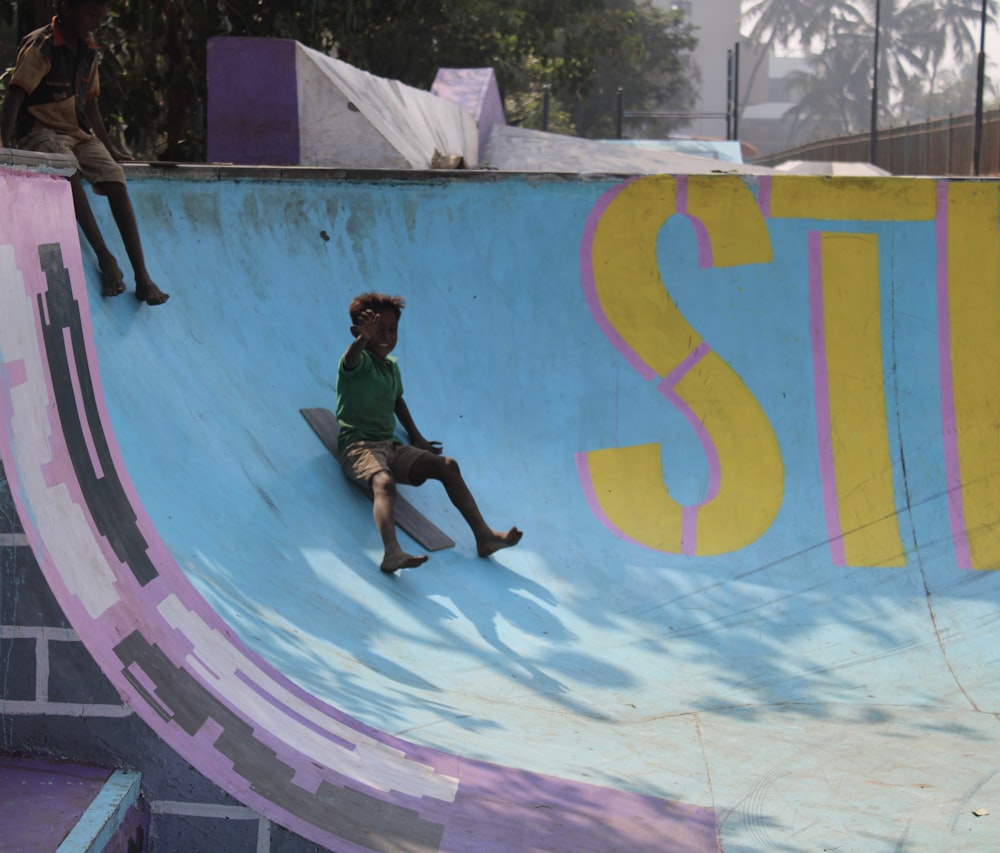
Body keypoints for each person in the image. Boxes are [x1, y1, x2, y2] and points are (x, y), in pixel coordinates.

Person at [337, 292, 522, 573]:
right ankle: (392, 552)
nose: (385, 336)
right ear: (358, 332)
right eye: (377, 330)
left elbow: (397, 400)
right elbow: (351, 360)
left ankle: (484, 536)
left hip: (391, 446)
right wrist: (362, 339)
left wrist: (416, 435)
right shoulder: (358, 361)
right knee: (384, 482)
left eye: (392, 329)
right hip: (360, 446)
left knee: (447, 466)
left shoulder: (391, 367)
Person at [0, 0, 169, 305]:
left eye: (102, 16)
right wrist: (7, 144)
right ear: (66, 9)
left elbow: (90, 104)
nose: (98, 22)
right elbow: (15, 95)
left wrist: (109, 148)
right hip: (37, 133)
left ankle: (142, 276)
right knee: (67, 167)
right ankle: (105, 257)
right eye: (92, 14)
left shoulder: (88, 50)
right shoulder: (43, 46)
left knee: (113, 175)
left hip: (73, 133)